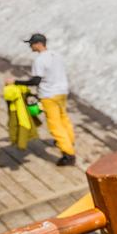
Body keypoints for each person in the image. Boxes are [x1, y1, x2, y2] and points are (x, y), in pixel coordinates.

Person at [24, 33, 76, 166]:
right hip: (62, 91)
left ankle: (68, 154)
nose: (30, 46)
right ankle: (69, 140)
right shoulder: (56, 55)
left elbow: (36, 80)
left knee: (54, 125)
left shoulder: (39, 60)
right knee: (64, 118)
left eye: (31, 44)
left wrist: (16, 82)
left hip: (49, 95)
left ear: (38, 44)